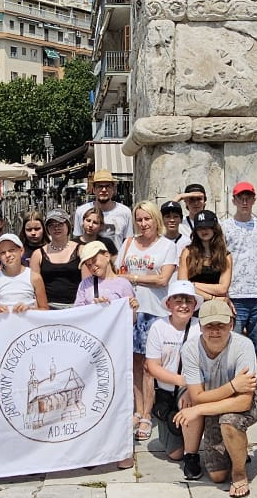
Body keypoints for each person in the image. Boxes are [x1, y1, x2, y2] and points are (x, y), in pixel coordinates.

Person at [174, 298, 257, 498]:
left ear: (231, 325)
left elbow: (244, 401)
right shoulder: (190, 349)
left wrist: (199, 409)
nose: (215, 331)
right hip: (218, 396)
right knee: (217, 476)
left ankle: (239, 473)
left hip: (255, 394)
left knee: (230, 421)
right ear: (200, 326)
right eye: (209, 325)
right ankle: (236, 447)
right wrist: (232, 386)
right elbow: (197, 396)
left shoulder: (243, 345)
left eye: (221, 325)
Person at [119, 203, 179, 441]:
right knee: (134, 363)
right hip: (131, 310)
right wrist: (141, 279)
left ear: (156, 220)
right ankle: (137, 408)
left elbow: (163, 279)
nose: (144, 224)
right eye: (140, 219)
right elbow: (117, 272)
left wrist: (132, 277)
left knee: (149, 366)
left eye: (148, 219)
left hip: (154, 310)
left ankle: (147, 413)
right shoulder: (128, 243)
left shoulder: (167, 246)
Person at [146, 281, 202, 479]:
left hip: (193, 387)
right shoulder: (158, 327)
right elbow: (152, 366)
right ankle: (185, 442)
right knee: (173, 453)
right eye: (178, 300)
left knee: (190, 404)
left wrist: (189, 386)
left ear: (195, 305)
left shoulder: (200, 326)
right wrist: (182, 381)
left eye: (188, 301)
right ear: (169, 304)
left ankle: (192, 455)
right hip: (167, 391)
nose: (183, 305)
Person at [220, 182, 257, 342]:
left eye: (248, 198)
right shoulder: (225, 227)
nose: (244, 202)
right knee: (234, 342)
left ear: (254, 200)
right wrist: (225, 294)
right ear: (234, 201)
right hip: (235, 295)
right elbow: (221, 262)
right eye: (240, 198)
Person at [30, 209, 83, 309]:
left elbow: (87, 283)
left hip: (76, 307)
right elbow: (33, 287)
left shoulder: (81, 250)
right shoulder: (38, 254)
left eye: (60, 224)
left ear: (68, 225)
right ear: (47, 229)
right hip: (48, 307)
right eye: (52, 225)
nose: (56, 228)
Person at [179, 210, 232, 302]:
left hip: (217, 307)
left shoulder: (225, 255)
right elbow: (182, 285)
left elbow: (222, 289)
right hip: (192, 304)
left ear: (215, 228)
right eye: (200, 228)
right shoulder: (187, 252)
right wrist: (211, 298)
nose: (204, 231)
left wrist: (193, 284)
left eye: (207, 227)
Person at [74, 169, 134, 246]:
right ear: (94, 189)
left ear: (113, 189)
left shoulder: (125, 212)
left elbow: (128, 242)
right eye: (100, 186)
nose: (104, 190)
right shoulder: (81, 211)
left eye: (108, 186)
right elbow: (77, 241)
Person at [72, 240, 135, 309]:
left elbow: (130, 317)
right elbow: (78, 312)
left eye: (94, 260)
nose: (93, 267)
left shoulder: (124, 284)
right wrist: (94, 307)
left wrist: (133, 308)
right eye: (88, 265)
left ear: (107, 256)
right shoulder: (84, 284)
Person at [0, 233, 37, 315]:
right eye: (3, 253)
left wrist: (29, 309)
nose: (7, 255)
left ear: (21, 251)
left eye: (11, 250)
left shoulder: (34, 277)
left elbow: (44, 309)